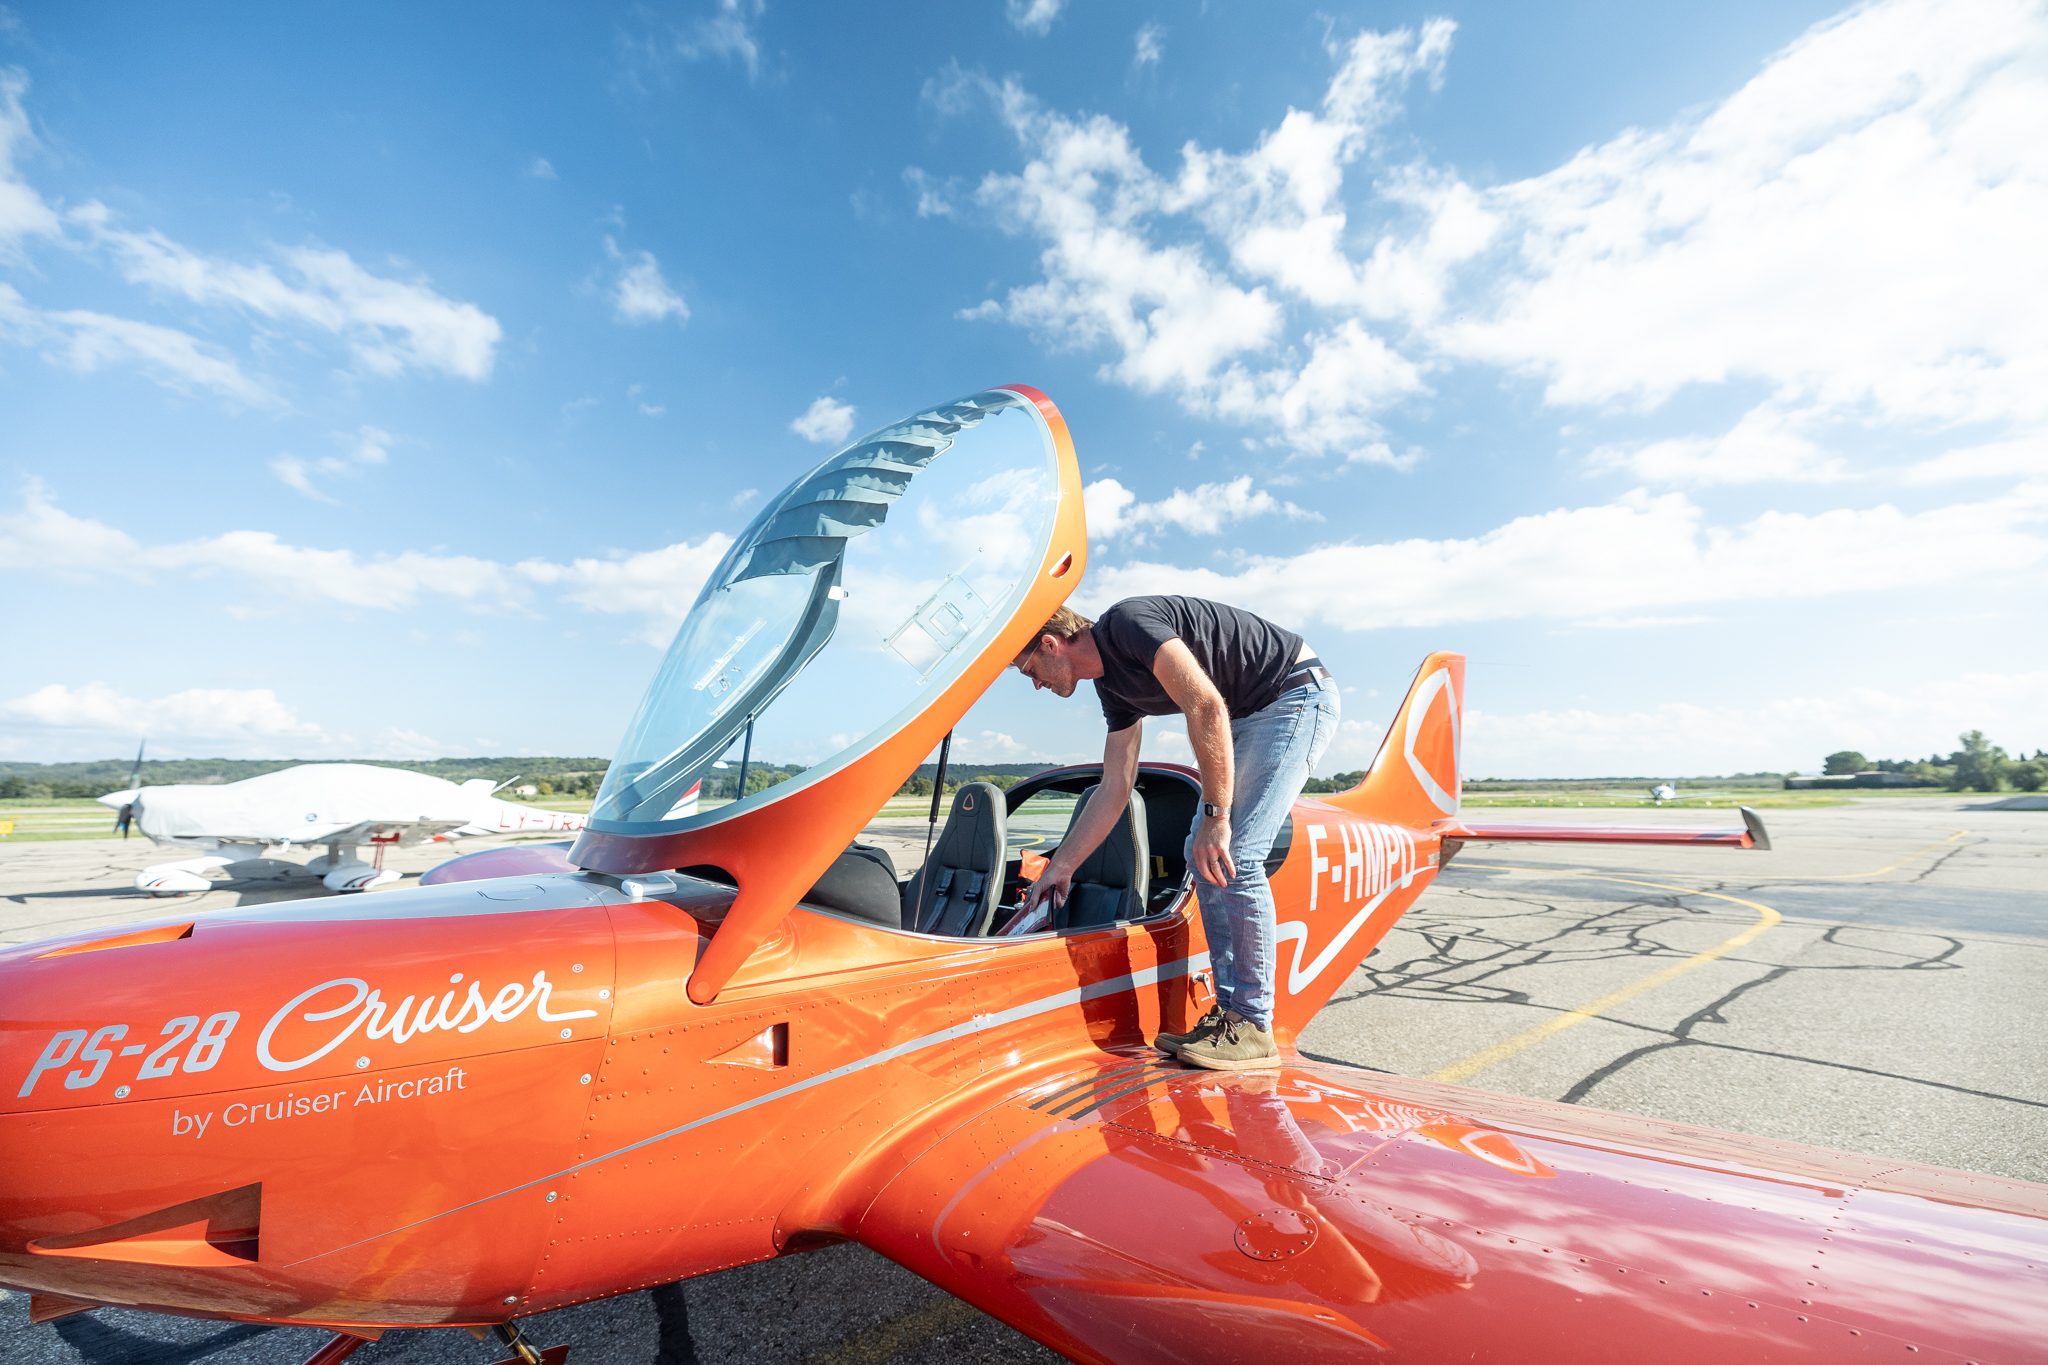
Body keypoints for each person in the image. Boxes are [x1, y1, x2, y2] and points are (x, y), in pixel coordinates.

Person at [1014, 596, 1337, 1070]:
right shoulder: (1113, 690)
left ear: (1050, 644)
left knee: (1235, 854)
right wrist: (1061, 866)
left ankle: (1253, 1023)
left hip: (1292, 694)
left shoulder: (1126, 625)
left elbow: (1205, 705)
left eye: (1030, 672)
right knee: (1198, 854)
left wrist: (1216, 816)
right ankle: (1231, 1018)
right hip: (1246, 711)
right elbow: (1115, 786)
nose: (1036, 685)